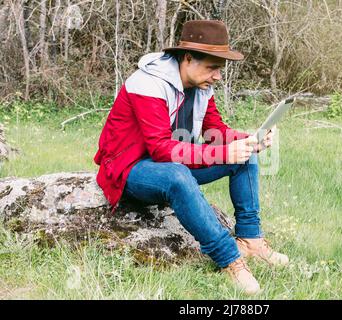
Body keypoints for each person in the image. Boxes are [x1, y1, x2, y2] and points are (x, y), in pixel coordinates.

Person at [94, 20, 288, 295]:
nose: (218, 76)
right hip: (131, 169)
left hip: (168, 166)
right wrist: (222, 151)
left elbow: (214, 131)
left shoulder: (201, 86)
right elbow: (161, 148)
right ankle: (229, 259)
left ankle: (251, 240)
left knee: (243, 157)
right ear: (187, 58)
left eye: (219, 68)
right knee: (178, 175)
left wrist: (248, 140)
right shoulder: (147, 83)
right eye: (212, 67)